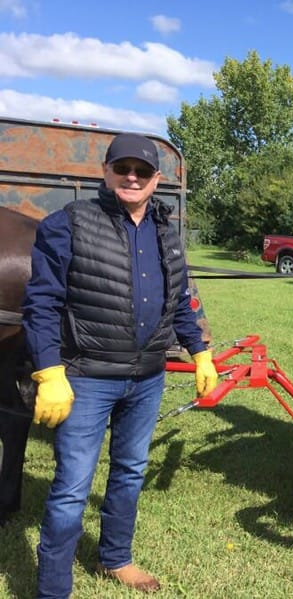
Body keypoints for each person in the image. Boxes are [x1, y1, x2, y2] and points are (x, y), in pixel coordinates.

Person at [22, 132, 219, 597]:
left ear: (156, 180)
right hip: (87, 377)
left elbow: (180, 302)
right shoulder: (68, 224)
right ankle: (53, 590)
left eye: (143, 171)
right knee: (72, 488)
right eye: (124, 168)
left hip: (147, 379)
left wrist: (200, 351)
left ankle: (116, 558)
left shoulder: (165, 234)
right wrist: (50, 371)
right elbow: (42, 304)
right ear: (106, 172)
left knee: (130, 470)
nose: (133, 177)